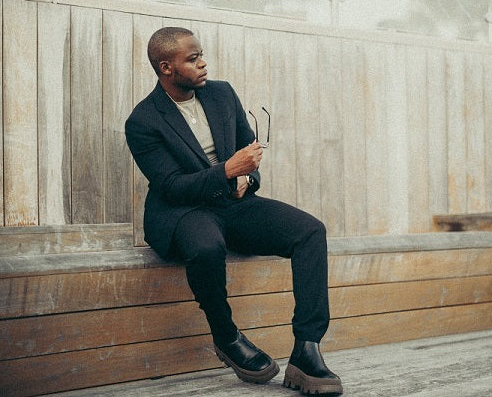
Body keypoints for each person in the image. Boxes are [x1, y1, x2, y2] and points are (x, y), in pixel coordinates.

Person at [125, 27, 343, 395]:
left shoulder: (221, 94)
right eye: (192, 59)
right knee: (207, 247)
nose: (203, 63)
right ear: (166, 67)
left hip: (233, 202)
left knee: (310, 231)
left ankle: (307, 349)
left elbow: (247, 151)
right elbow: (173, 187)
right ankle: (226, 337)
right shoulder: (143, 121)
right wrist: (228, 171)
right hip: (183, 212)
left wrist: (248, 179)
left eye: (201, 54)